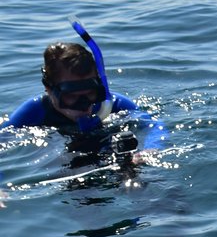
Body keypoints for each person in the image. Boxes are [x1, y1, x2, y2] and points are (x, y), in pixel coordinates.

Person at [3, 38, 168, 164]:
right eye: (71, 96)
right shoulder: (34, 112)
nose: (83, 105)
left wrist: (152, 148)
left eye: (90, 94)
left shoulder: (112, 103)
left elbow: (154, 124)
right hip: (65, 156)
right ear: (48, 89)